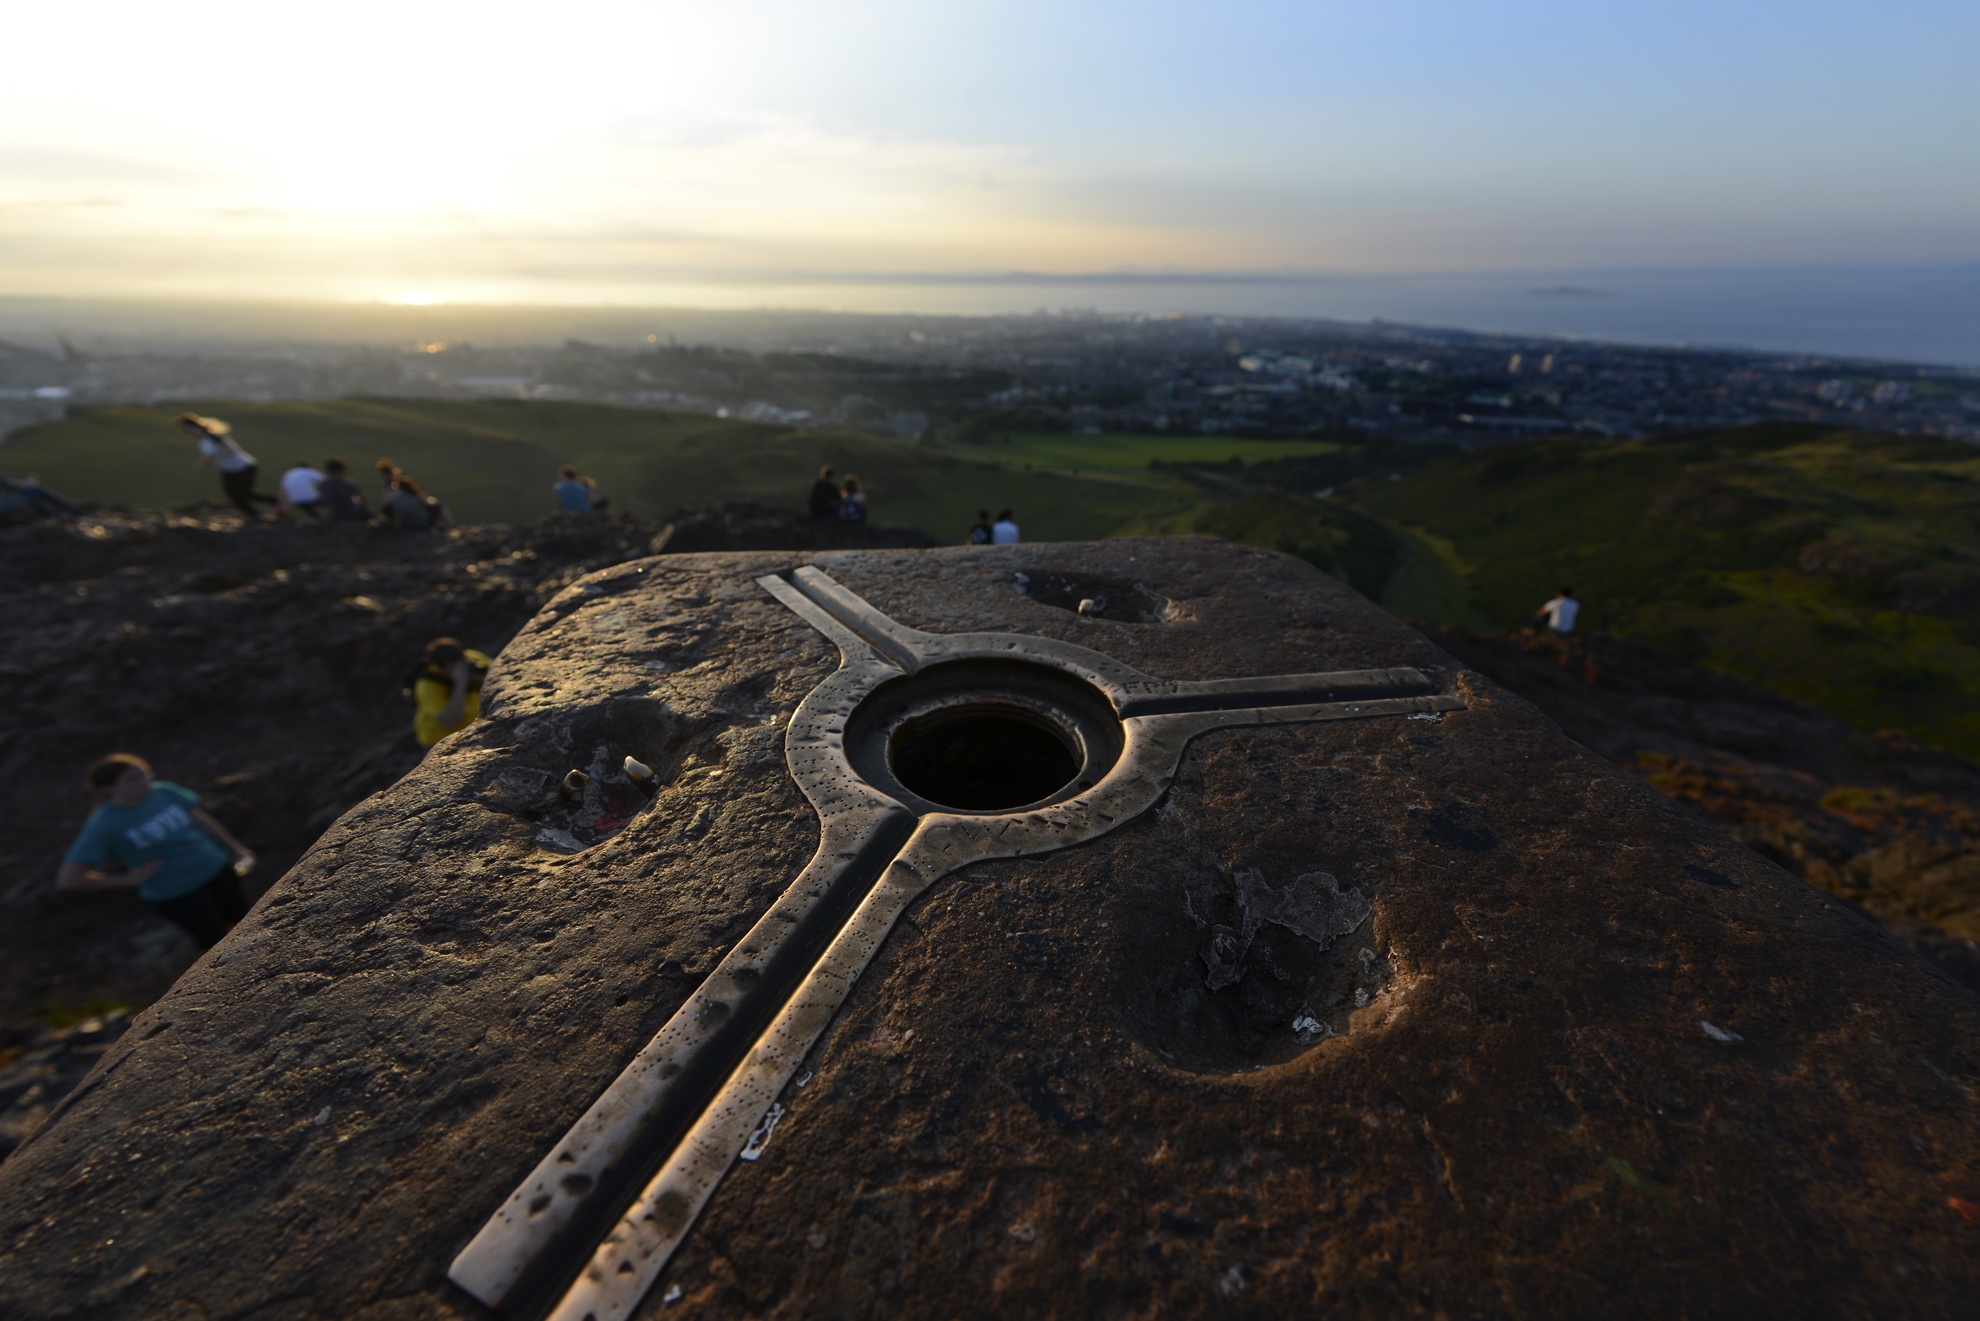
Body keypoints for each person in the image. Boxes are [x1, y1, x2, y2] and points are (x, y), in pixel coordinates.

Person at [56, 754, 256, 951]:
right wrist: (128, 880)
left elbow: (200, 820)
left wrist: (237, 850)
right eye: (131, 780)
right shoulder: (103, 826)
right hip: (178, 894)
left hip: (217, 870)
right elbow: (70, 879)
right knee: (218, 945)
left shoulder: (164, 792)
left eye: (145, 774)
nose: (144, 782)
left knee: (248, 925)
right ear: (107, 788)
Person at [181, 413, 275, 521]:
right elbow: (207, 454)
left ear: (194, 426)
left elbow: (230, 449)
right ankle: (254, 513)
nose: (187, 432)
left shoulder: (212, 436)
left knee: (243, 493)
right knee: (233, 493)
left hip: (243, 467)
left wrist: (209, 461)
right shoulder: (202, 440)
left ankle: (265, 507)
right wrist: (203, 464)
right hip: (229, 469)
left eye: (187, 428)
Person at [410, 638, 493, 747]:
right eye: (450, 667)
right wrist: (460, 685)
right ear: (439, 667)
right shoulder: (427, 686)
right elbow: (450, 722)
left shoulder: (473, 658)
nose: (458, 669)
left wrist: (478, 679)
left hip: (475, 730)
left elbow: (498, 675)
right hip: (441, 741)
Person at [380, 475, 450, 531]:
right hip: (421, 525)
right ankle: (445, 528)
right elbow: (431, 504)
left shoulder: (394, 499)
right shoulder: (416, 498)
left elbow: (385, 511)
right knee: (436, 507)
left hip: (405, 525)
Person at [0, 474, 82, 520]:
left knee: (31, 496)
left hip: (5, 505)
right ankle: (75, 512)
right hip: (5, 507)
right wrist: (28, 482)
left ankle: (51, 516)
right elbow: (14, 486)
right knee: (36, 489)